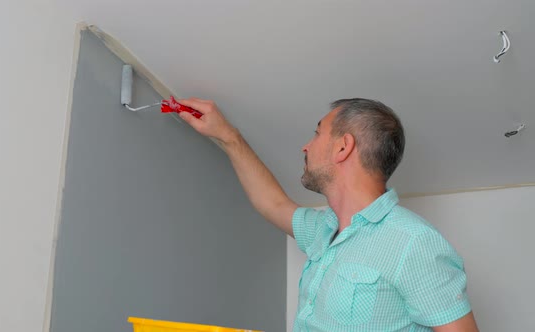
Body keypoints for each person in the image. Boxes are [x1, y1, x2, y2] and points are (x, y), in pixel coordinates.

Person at [177, 97, 479, 332]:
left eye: (317, 133)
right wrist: (228, 136)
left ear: (343, 147)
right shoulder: (323, 230)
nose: (305, 146)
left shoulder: (413, 242)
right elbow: (274, 205)